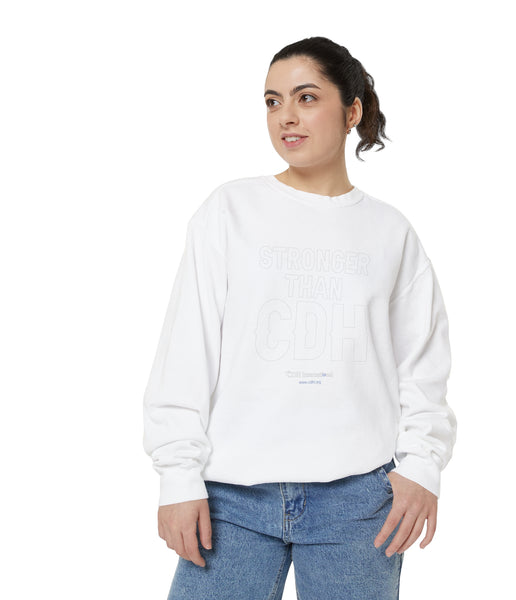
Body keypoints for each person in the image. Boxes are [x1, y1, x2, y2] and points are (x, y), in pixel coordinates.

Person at [142, 35, 457, 600]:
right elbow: (187, 350)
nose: (285, 116)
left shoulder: (390, 232)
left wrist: (421, 467)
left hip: (359, 501)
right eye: (272, 101)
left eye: (306, 97)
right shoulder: (229, 210)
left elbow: (423, 362)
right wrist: (177, 477)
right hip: (230, 497)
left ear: (351, 111)